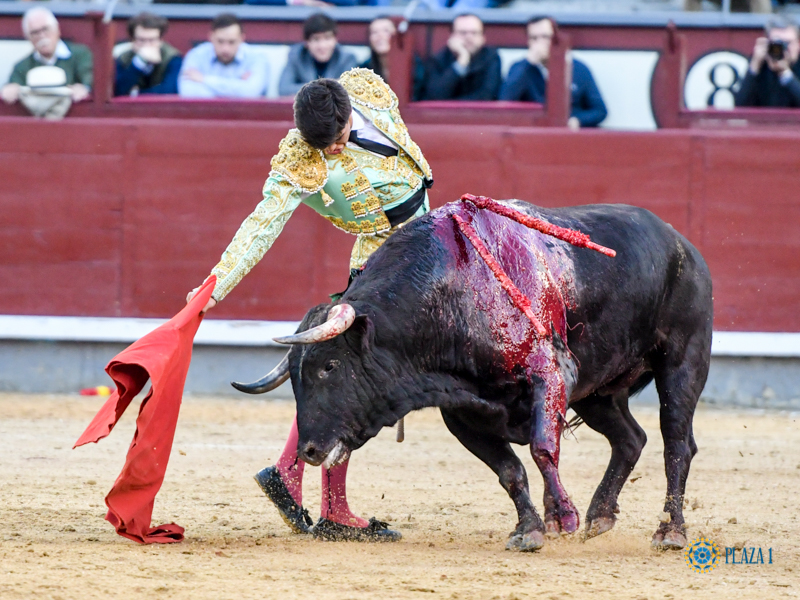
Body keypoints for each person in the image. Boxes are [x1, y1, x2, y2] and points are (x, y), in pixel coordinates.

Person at [186, 69, 432, 542]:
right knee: (355, 383)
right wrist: (215, 286)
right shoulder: (299, 161)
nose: (334, 151)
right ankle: (324, 500)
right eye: (324, 146)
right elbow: (260, 225)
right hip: (383, 266)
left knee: (354, 380)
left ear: (349, 111)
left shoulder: (367, 90)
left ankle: (293, 476)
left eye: (338, 139)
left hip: (422, 248)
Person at [499, 16, 607, 129]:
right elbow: (504, 103)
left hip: (570, 133)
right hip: (534, 132)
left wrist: (577, 120)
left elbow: (600, 110)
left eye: (545, 37)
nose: (540, 43)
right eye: (534, 38)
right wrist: (528, 62)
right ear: (528, 41)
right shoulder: (520, 68)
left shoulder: (578, 68)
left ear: (556, 39)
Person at [1, 7, 92, 107]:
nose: (42, 36)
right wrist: (10, 90)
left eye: (45, 29)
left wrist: (84, 88)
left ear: (57, 29)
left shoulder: (80, 55)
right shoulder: (22, 66)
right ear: (28, 38)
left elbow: (91, 80)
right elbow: (12, 86)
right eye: (35, 32)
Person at [178, 13, 269, 98]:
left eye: (231, 42)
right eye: (220, 41)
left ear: (241, 39)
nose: (225, 49)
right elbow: (188, 92)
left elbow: (251, 92)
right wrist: (238, 87)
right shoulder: (196, 55)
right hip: (204, 111)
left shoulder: (256, 57)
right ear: (211, 37)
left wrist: (204, 80)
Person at [423, 13, 501, 101]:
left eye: (474, 33)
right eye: (463, 33)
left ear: (483, 37)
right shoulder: (438, 60)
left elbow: (488, 95)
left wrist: (453, 104)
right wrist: (460, 63)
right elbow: (435, 96)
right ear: (451, 36)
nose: (469, 37)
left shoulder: (491, 57)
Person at [278, 14, 358, 97]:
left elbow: (350, 91)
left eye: (327, 38)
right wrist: (325, 86)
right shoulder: (296, 56)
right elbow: (284, 89)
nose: (322, 46)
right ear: (307, 42)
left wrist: (311, 89)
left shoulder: (347, 59)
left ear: (335, 39)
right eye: (316, 39)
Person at [735, 15, 800, 108]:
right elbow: (740, 106)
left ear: (798, 44)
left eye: (788, 43)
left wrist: (785, 73)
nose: (783, 49)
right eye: (778, 43)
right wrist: (754, 67)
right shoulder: (760, 64)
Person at [115, 12, 182, 97]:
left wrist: (134, 94)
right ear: (132, 40)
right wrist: (138, 63)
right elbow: (119, 91)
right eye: (141, 40)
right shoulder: (124, 58)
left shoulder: (173, 58)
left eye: (152, 40)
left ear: (160, 40)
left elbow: (169, 91)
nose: (147, 45)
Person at [360, 17, 395, 81]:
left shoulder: (411, 66)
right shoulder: (364, 69)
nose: (380, 35)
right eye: (374, 32)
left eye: (386, 31)